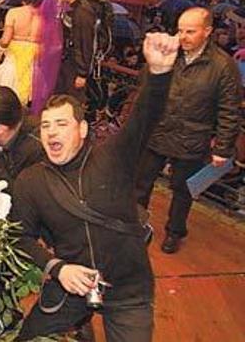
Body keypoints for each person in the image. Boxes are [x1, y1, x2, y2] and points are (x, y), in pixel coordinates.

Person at [11, 32, 180, 342]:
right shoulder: (31, 181)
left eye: (62, 124)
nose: (51, 132)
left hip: (128, 286)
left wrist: (158, 74)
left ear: (83, 129)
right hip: (71, 285)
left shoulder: (113, 157)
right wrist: (57, 268)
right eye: (46, 125)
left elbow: (144, 118)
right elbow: (19, 237)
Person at [134, 7, 241, 254]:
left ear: (208, 31)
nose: (183, 36)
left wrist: (223, 148)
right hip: (158, 131)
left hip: (193, 137)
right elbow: (147, 87)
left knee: (182, 192)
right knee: (140, 184)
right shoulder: (172, 53)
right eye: (180, 30)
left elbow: (229, 110)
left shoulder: (223, 66)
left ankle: (174, 232)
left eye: (190, 31)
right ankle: (135, 226)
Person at [0, 0, 62, 112]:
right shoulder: (48, 18)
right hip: (35, 64)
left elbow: (5, 40)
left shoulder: (14, 13)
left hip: (13, 60)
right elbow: (54, 45)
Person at [54, 0, 100, 103]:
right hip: (68, 61)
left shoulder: (83, 12)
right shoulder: (73, 8)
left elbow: (85, 43)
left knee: (72, 101)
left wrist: (82, 73)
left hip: (75, 66)